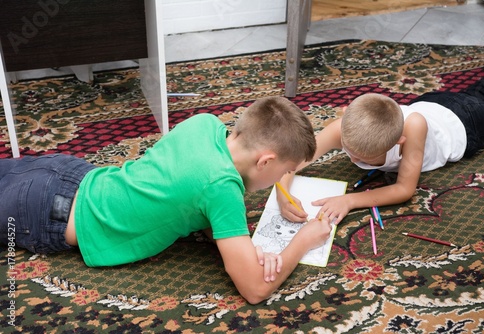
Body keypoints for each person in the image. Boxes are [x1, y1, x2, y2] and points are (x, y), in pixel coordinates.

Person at [0, 96, 333, 305]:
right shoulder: (222, 190)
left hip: (65, 171)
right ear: (265, 161)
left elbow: (187, 194)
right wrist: (302, 242)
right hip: (45, 212)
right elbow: (255, 289)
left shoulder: (205, 124)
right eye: (284, 172)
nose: (279, 181)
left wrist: (242, 247)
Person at [277, 69, 484, 225]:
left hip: (469, 124)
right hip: (436, 101)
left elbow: (404, 189)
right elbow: (296, 159)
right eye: (348, 151)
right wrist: (282, 191)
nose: (354, 161)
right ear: (344, 115)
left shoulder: (414, 127)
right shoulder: (341, 128)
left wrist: (350, 200)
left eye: (364, 157)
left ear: (398, 142)